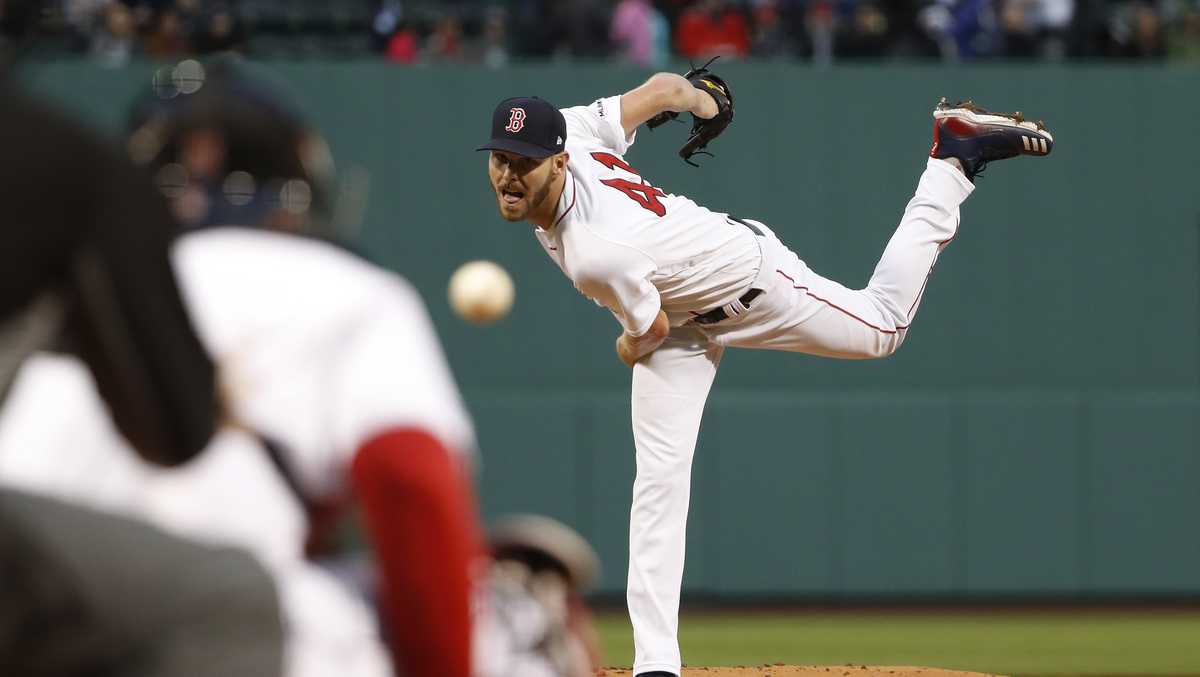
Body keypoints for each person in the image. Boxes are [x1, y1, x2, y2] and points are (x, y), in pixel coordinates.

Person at [476, 71, 1054, 676]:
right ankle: (655, 664)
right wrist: (702, 101)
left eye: (526, 162)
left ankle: (952, 160)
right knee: (658, 482)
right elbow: (663, 91)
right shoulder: (568, 126)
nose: (510, 175)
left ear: (560, 161)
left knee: (883, 328)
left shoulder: (596, 252)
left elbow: (644, 337)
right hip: (679, 307)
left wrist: (623, 348)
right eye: (501, 160)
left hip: (751, 283)